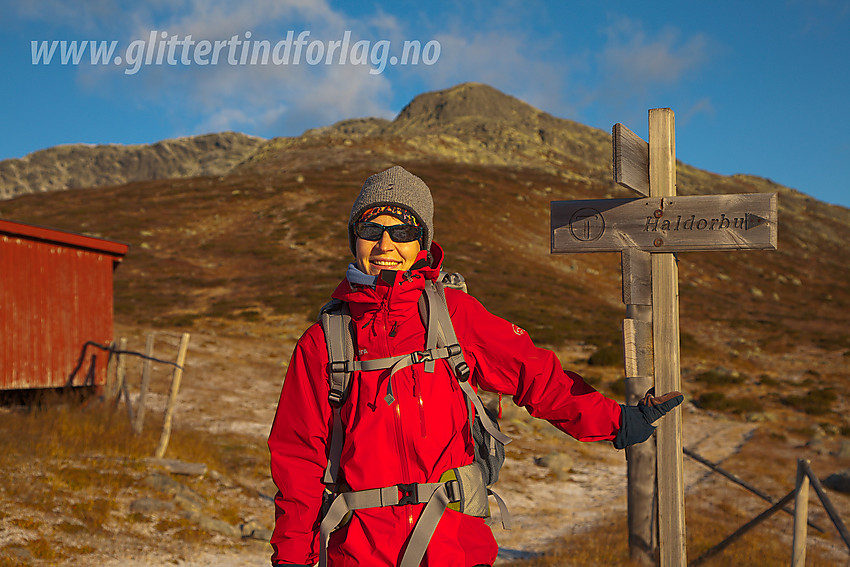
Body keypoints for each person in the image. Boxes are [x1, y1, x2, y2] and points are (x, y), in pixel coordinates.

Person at [267, 165, 683, 567]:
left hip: (453, 546)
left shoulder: (454, 315)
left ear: (422, 243)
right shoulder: (324, 341)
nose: (385, 245)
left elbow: (534, 376)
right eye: (371, 230)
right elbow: (298, 457)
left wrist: (615, 420)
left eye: (403, 232)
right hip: (358, 552)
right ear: (354, 239)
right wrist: (291, 556)